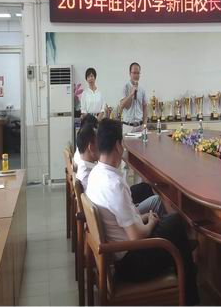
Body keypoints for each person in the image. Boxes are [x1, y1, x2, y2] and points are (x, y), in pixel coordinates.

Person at [86, 119, 199, 305]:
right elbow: (136, 236)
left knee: (172, 228)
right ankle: (190, 295)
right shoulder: (114, 184)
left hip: (119, 253)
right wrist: (151, 223)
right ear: (118, 145)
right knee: (175, 223)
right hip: (133, 264)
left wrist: (142, 218)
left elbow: (123, 219)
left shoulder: (96, 174)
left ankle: (186, 270)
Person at [119, 62, 148, 133]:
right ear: (130, 73)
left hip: (140, 126)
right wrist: (131, 94)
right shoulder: (125, 87)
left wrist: (144, 125)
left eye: (138, 73)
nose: (136, 75)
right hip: (128, 127)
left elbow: (145, 107)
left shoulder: (142, 89)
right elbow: (121, 106)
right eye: (134, 73)